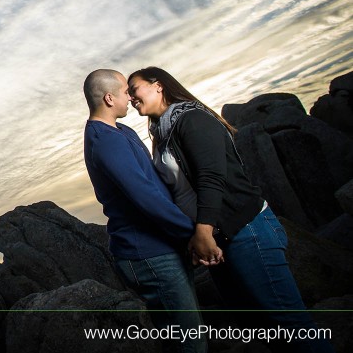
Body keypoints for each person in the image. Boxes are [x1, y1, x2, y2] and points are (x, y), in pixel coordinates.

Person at [127, 66, 333, 353]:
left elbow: (212, 177)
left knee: (290, 324)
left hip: (246, 232)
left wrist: (203, 231)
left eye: (133, 88)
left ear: (158, 85)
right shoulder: (163, 134)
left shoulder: (191, 119)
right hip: (216, 239)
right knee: (256, 329)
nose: (129, 96)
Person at [83, 69, 206, 353]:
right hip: (148, 255)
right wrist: (193, 234)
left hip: (161, 247)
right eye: (126, 91)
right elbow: (144, 196)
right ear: (110, 97)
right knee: (190, 343)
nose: (131, 96)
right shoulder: (104, 141)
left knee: (181, 338)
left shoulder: (121, 130)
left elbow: (153, 182)